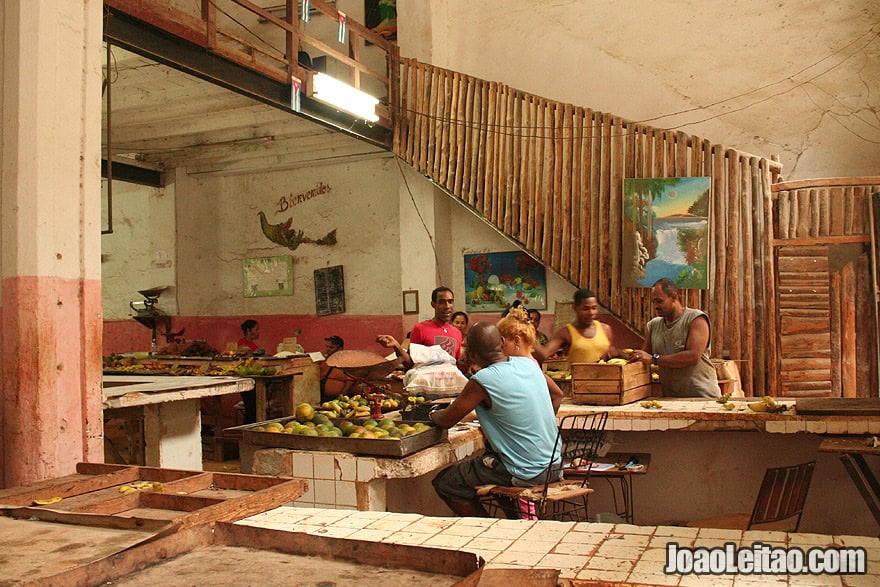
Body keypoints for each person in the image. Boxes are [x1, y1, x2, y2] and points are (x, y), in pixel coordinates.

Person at [428, 322, 562, 518]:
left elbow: (446, 420)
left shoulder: (482, 381)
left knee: (447, 483)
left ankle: (490, 528)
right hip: (554, 465)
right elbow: (556, 394)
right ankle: (513, 523)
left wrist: (431, 414)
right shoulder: (527, 364)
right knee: (491, 460)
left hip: (525, 472)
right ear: (501, 342)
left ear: (471, 355)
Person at [628, 278, 721, 398]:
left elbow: (693, 356)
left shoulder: (696, 319)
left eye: (659, 301)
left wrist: (654, 359)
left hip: (703, 398)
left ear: (673, 297)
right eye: (654, 302)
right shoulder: (654, 325)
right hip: (672, 399)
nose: (656, 306)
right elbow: (644, 356)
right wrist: (620, 354)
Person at [496, 306, 564, 413]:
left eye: (503, 341)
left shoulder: (522, 366)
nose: (500, 346)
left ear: (517, 341)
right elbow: (557, 395)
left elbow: (557, 394)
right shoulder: (528, 364)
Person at [377, 286, 462, 368]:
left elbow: (457, 364)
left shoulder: (457, 333)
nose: (447, 306)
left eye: (450, 302)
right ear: (433, 304)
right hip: (426, 381)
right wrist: (396, 346)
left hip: (451, 381)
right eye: (441, 302)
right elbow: (409, 363)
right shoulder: (420, 329)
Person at [534, 289, 616, 364]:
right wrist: (527, 335)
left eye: (594, 308)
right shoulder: (566, 333)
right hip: (579, 379)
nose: (591, 312)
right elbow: (544, 354)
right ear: (575, 308)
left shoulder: (605, 329)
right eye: (585, 309)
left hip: (607, 379)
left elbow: (610, 356)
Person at [237, 319, 260, 423]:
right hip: (246, 379)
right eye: (256, 329)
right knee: (251, 408)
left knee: (253, 408)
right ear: (249, 331)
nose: (259, 332)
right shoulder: (242, 345)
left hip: (254, 379)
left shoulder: (254, 346)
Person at [319, 335, 355, 402]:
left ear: (340, 349)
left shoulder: (346, 363)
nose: (328, 349)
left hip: (336, 399)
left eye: (331, 347)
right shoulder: (323, 359)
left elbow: (350, 383)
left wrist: (340, 398)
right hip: (320, 397)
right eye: (327, 346)